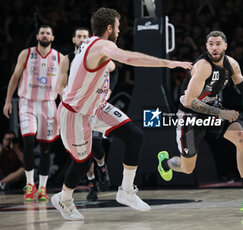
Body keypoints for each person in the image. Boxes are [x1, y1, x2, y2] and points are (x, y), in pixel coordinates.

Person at [51, 7, 192, 221]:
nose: (120, 29)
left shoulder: (90, 44)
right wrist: (168, 62)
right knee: (82, 162)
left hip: (95, 106)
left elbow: (105, 68)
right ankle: (65, 199)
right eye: (118, 26)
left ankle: (126, 190)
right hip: (75, 113)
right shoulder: (102, 45)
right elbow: (129, 58)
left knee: (134, 136)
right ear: (109, 28)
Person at [157, 31, 243, 214]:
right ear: (206, 47)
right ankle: (165, 163)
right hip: (190, 116)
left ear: (225, 46)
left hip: (212, 112)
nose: (214, 47)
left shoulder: (232, 65)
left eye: (218, 44)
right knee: (187, 168)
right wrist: (222, 112)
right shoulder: (203, 67)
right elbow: (190, 101)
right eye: (211, 44)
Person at [3, 25, 64, 201]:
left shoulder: (59, 57)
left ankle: (43, 187)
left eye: (48, 33)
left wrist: (65, 105)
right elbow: (15, 77)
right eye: (42, 32)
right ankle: (30, 184)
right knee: (28, 141)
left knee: (46, 148)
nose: (45, 35)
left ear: (52, 38)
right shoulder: (26, 53)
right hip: (27, 102)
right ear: (37, 36)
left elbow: (61, 85)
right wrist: (8, 100)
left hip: (48, 104)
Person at [58, 27, 112, 202]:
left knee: (96, 146)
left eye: (85, 37)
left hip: (95, 106)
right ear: (73, 40)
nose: (82, 39)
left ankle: (102, 168)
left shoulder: (96, 55)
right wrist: (69, 100)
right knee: (85, 153)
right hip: (76, 110)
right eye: (79, 37)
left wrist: (107, 89)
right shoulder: (68, 59)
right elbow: (60, 85)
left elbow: (112, 68)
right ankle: (92, 184)